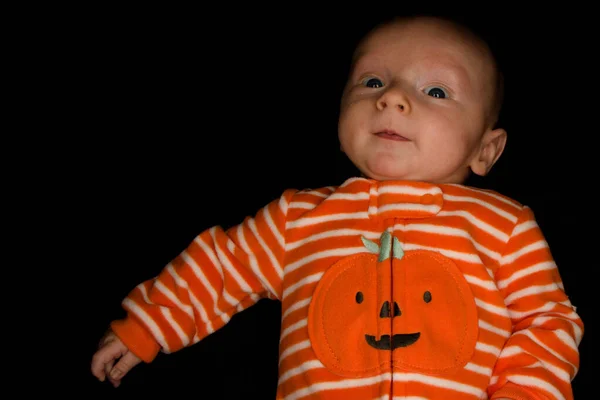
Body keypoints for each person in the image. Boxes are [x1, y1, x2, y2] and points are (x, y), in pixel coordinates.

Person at [91, 14, 584, 399]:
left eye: (435, 91)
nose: (391, 98)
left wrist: (524, 394)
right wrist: (148, 323)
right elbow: (223, 266)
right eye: (372, 83)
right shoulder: (297, 218)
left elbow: (548, 321)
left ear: (486, 150)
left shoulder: (504, 227)